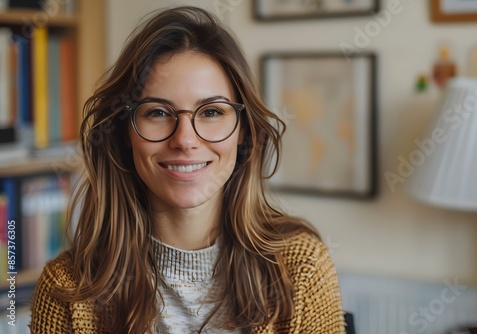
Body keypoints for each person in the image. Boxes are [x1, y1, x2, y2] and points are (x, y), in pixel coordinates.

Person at [30, 6, 345, 334]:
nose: (185, 140)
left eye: (210, 111)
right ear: (125, 132)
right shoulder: (66, 290)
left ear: (243, 132)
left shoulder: (303, 270)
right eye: (156, 112)